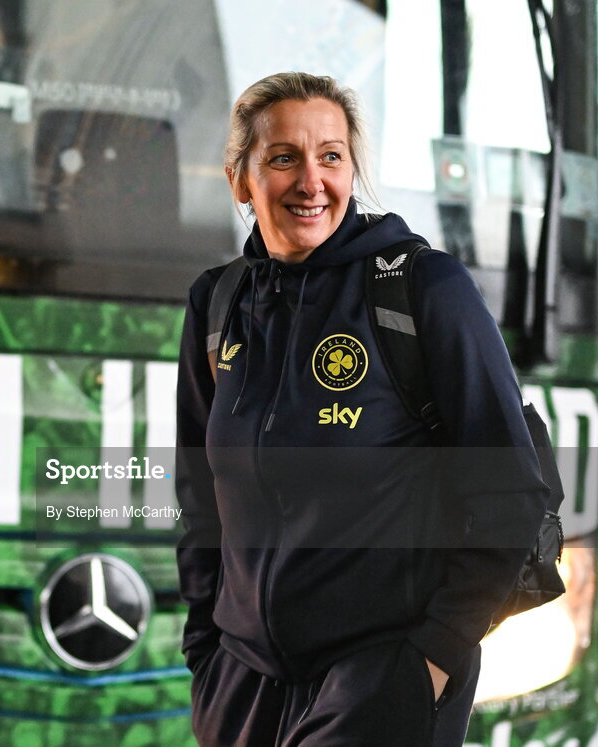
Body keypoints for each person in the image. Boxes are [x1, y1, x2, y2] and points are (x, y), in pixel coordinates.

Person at [175, 72, 549, 746]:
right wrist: (207, 646)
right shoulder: (217, 303)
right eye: (283, 156)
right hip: (243, 680)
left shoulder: (421, 289)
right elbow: (199, 492)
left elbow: (513, 493)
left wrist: (432, 658)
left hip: (380, 673)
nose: (311, 181)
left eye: (331, 156)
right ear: (240, 179)